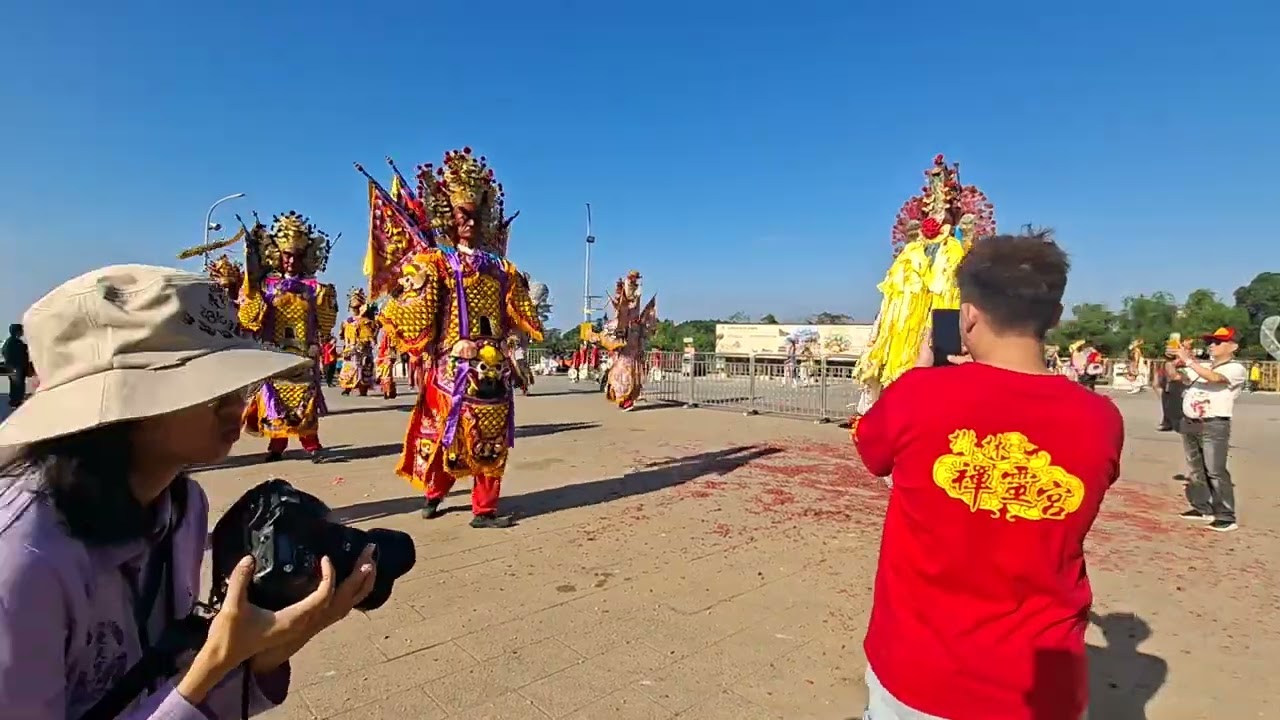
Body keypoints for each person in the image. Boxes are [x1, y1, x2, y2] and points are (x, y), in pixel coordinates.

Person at [0, 265, 376, 719]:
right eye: (207, 386)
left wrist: (270, 646)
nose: (235, 403)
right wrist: (216, 661)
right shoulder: (23, 562)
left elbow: (158, 685)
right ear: (121, 404)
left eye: (234, 383)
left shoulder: (182, 505)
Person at [853, 232, 1122, 720]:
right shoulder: (1100, 419)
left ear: (968, 314)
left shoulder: (919, 395)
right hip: (1041, 686)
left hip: (919, 673)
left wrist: (919, 379)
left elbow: (872, 452)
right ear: (1055, 318)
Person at [361, 148, 543, 528]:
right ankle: (434, 492)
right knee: (446, 433)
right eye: (462, 214)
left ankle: (484, 508)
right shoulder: (437, 262)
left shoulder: (502, 267)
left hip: (493, 365)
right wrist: (397, 303)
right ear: (448, 215)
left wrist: (511, 347)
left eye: (475, 214)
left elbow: (516, 317)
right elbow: (416, 312)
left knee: (491, 436)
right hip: (451, 364)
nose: (469, 221)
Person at [237, 212, 339, 463]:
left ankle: (312, 445)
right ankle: (277, 445)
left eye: (296, 256)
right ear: (277, 256)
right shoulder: (266, 287)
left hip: (303, 353)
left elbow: (325, 323)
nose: (291, 261)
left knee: (305, 400)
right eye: (287, 255)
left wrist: (320, 337)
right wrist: (251, 277)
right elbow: (250, 315)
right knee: (276, 400)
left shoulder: (315, 289)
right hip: (275, 353)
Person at [1177, 326, 1247, 532]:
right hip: (1191, 422)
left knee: (1215, 470)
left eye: (1218, 342)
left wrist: (1189, 361)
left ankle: (1226, 515)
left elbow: (1214, 379)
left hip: (1213, 423)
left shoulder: (1235, 368)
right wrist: (1177, 358)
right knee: (1196, 469)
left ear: (1233, 346)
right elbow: (1176, 375)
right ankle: (1203, 507)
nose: (1212, 346)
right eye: (1211, 342)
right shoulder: (1205, 367)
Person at [600, 271, 658, 411]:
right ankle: (623, 400)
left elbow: (644, 332)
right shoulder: (619, 321)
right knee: (621, 377)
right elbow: (612, 332)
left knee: (632, 379)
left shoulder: (637, 322)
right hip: (624, 355)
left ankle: (627, 400)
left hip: (634, 354)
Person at [337, 288, 377, 397]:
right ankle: (347, 388)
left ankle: (363, 389)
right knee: (349, 368)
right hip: (350, 349)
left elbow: (371, 335)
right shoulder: (346, 322)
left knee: (364, 368)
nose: (354, 309)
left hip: (363, 349)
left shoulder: (366, 321)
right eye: (353, 307)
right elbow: (342, 336)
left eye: (357, 307)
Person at [2, 323, 29, 408]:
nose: (23, 332)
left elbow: (4, 353)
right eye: (21, 330)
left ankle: (15, 402)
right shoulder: (15, 342)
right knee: (18, 386)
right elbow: (21, 355)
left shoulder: (8, 342)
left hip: (11, 368)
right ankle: (16, 403)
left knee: (15, 385)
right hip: (16, 368)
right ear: (18, 331)